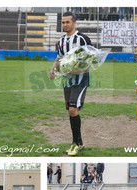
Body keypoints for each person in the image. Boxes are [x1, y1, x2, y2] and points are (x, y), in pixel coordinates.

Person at [49, 11, 91, 156]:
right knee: (71, 111)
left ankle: (75, 143)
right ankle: (79, 143)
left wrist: (77, 70)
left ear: (74, 23)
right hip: (67, 80)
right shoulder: (61, 41)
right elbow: (58, 58)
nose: (65, 25)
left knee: (73, 109)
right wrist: (52, 69)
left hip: (81, 80)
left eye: (68, 22)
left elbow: (90, 60)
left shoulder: (82, 39)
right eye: (63, 22)